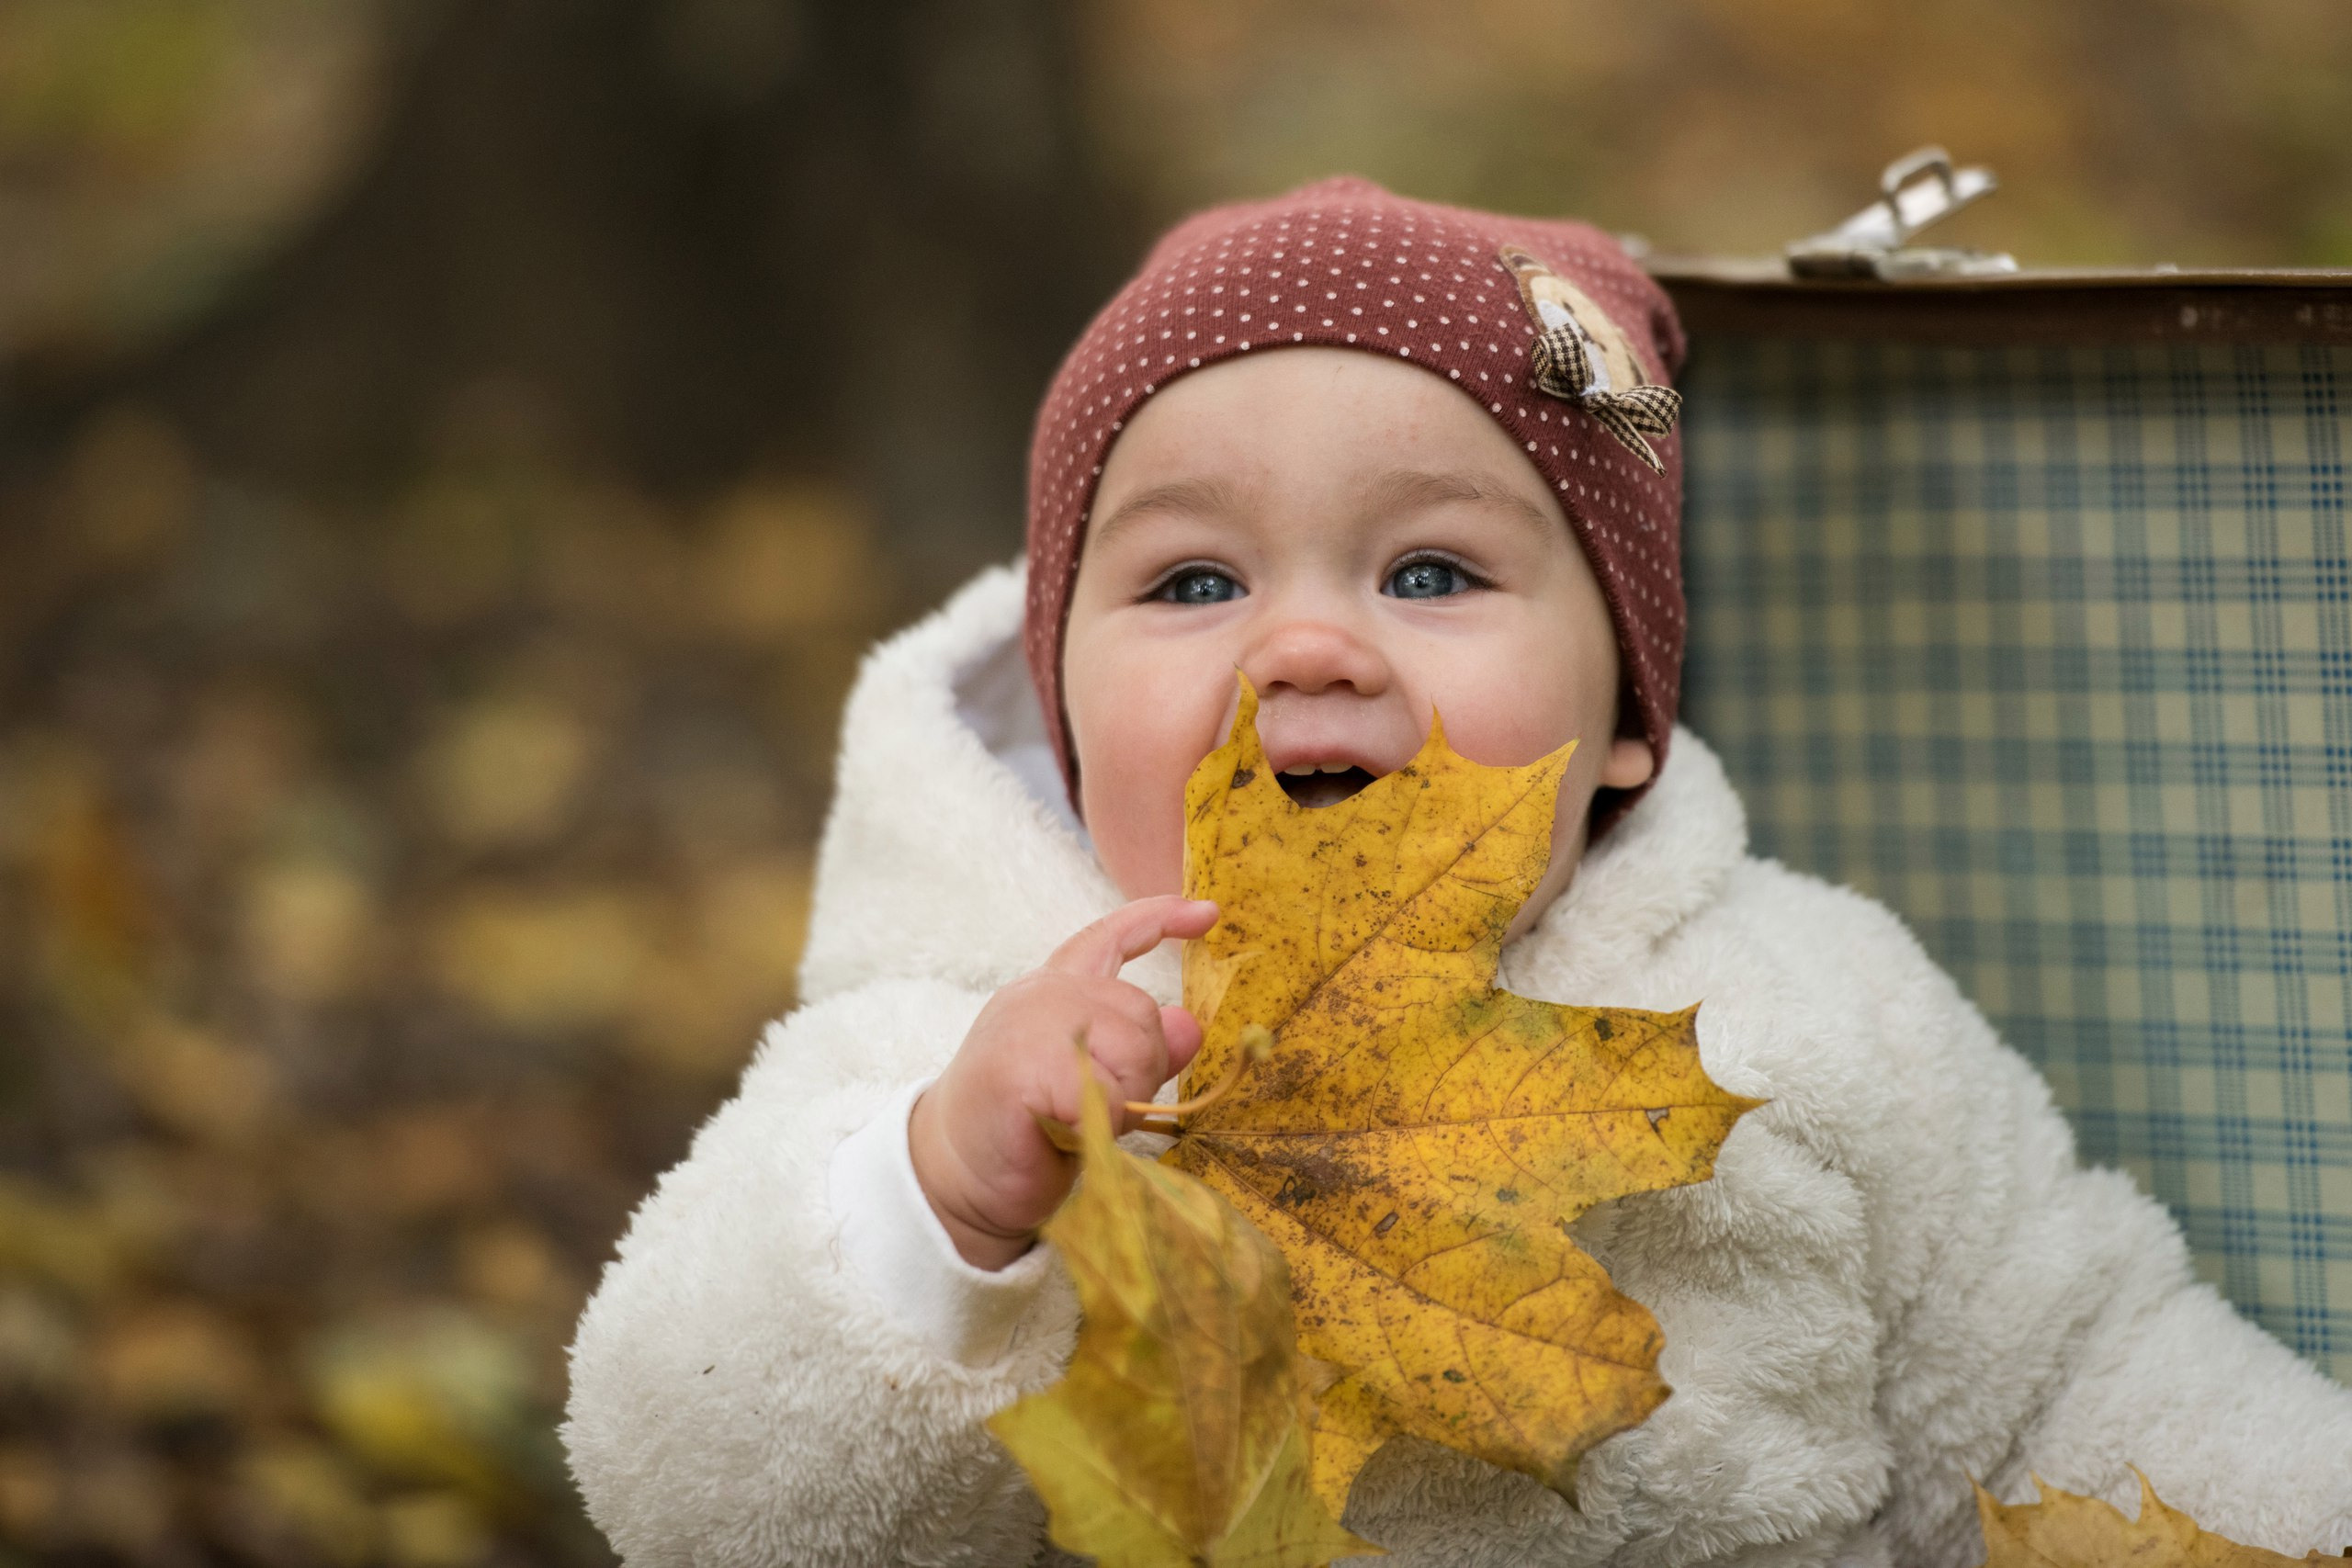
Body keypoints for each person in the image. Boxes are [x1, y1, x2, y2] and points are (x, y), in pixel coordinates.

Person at [560, 178, 2352, 1567]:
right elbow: (685, 1474)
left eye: (1429, 572)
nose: (1309, 645)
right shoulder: (942, 1046)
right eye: (1193, 582)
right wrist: (938, 1201)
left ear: (1627, 720)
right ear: (1058, 708)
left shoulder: (1808, 998)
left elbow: (2066, 1363)